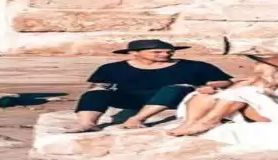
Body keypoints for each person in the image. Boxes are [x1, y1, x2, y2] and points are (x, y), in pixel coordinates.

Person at [167, 55, 278, 150]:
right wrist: (212, 90)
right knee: (202, 95)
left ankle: (208, 122)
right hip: (254, 109)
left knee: (245, 92)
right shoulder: (253, 79)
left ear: (274, 67)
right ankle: (190, 124)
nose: (255, 64)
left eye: (260, 62)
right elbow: (229, 92)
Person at [74, 39, 233, 131]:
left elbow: (225, 81)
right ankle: (87, 123)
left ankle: (137, 120)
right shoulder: (111, 68)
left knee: (177, 87)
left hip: (175, 99)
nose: (165, 54)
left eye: (169, 52)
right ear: (134, 53)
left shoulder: (194, 66)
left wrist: (211, 86)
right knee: (95, 92)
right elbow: (99, 85)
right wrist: (99, 89)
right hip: (129, 98)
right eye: (157, 52)